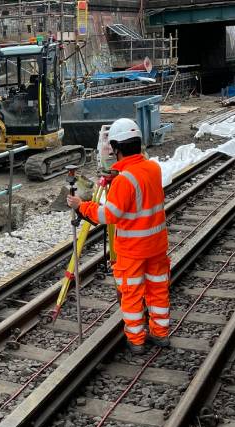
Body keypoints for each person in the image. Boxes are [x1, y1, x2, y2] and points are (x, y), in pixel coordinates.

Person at [66, 118, 170, 355]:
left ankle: (137, 340)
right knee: (158, 290)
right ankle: (160, 333)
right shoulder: (153, 168)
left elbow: (108, 215)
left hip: (132, 249)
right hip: (157, 246)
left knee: (132, 294)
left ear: (115, 147)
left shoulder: (124, 180)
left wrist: (82, 206)